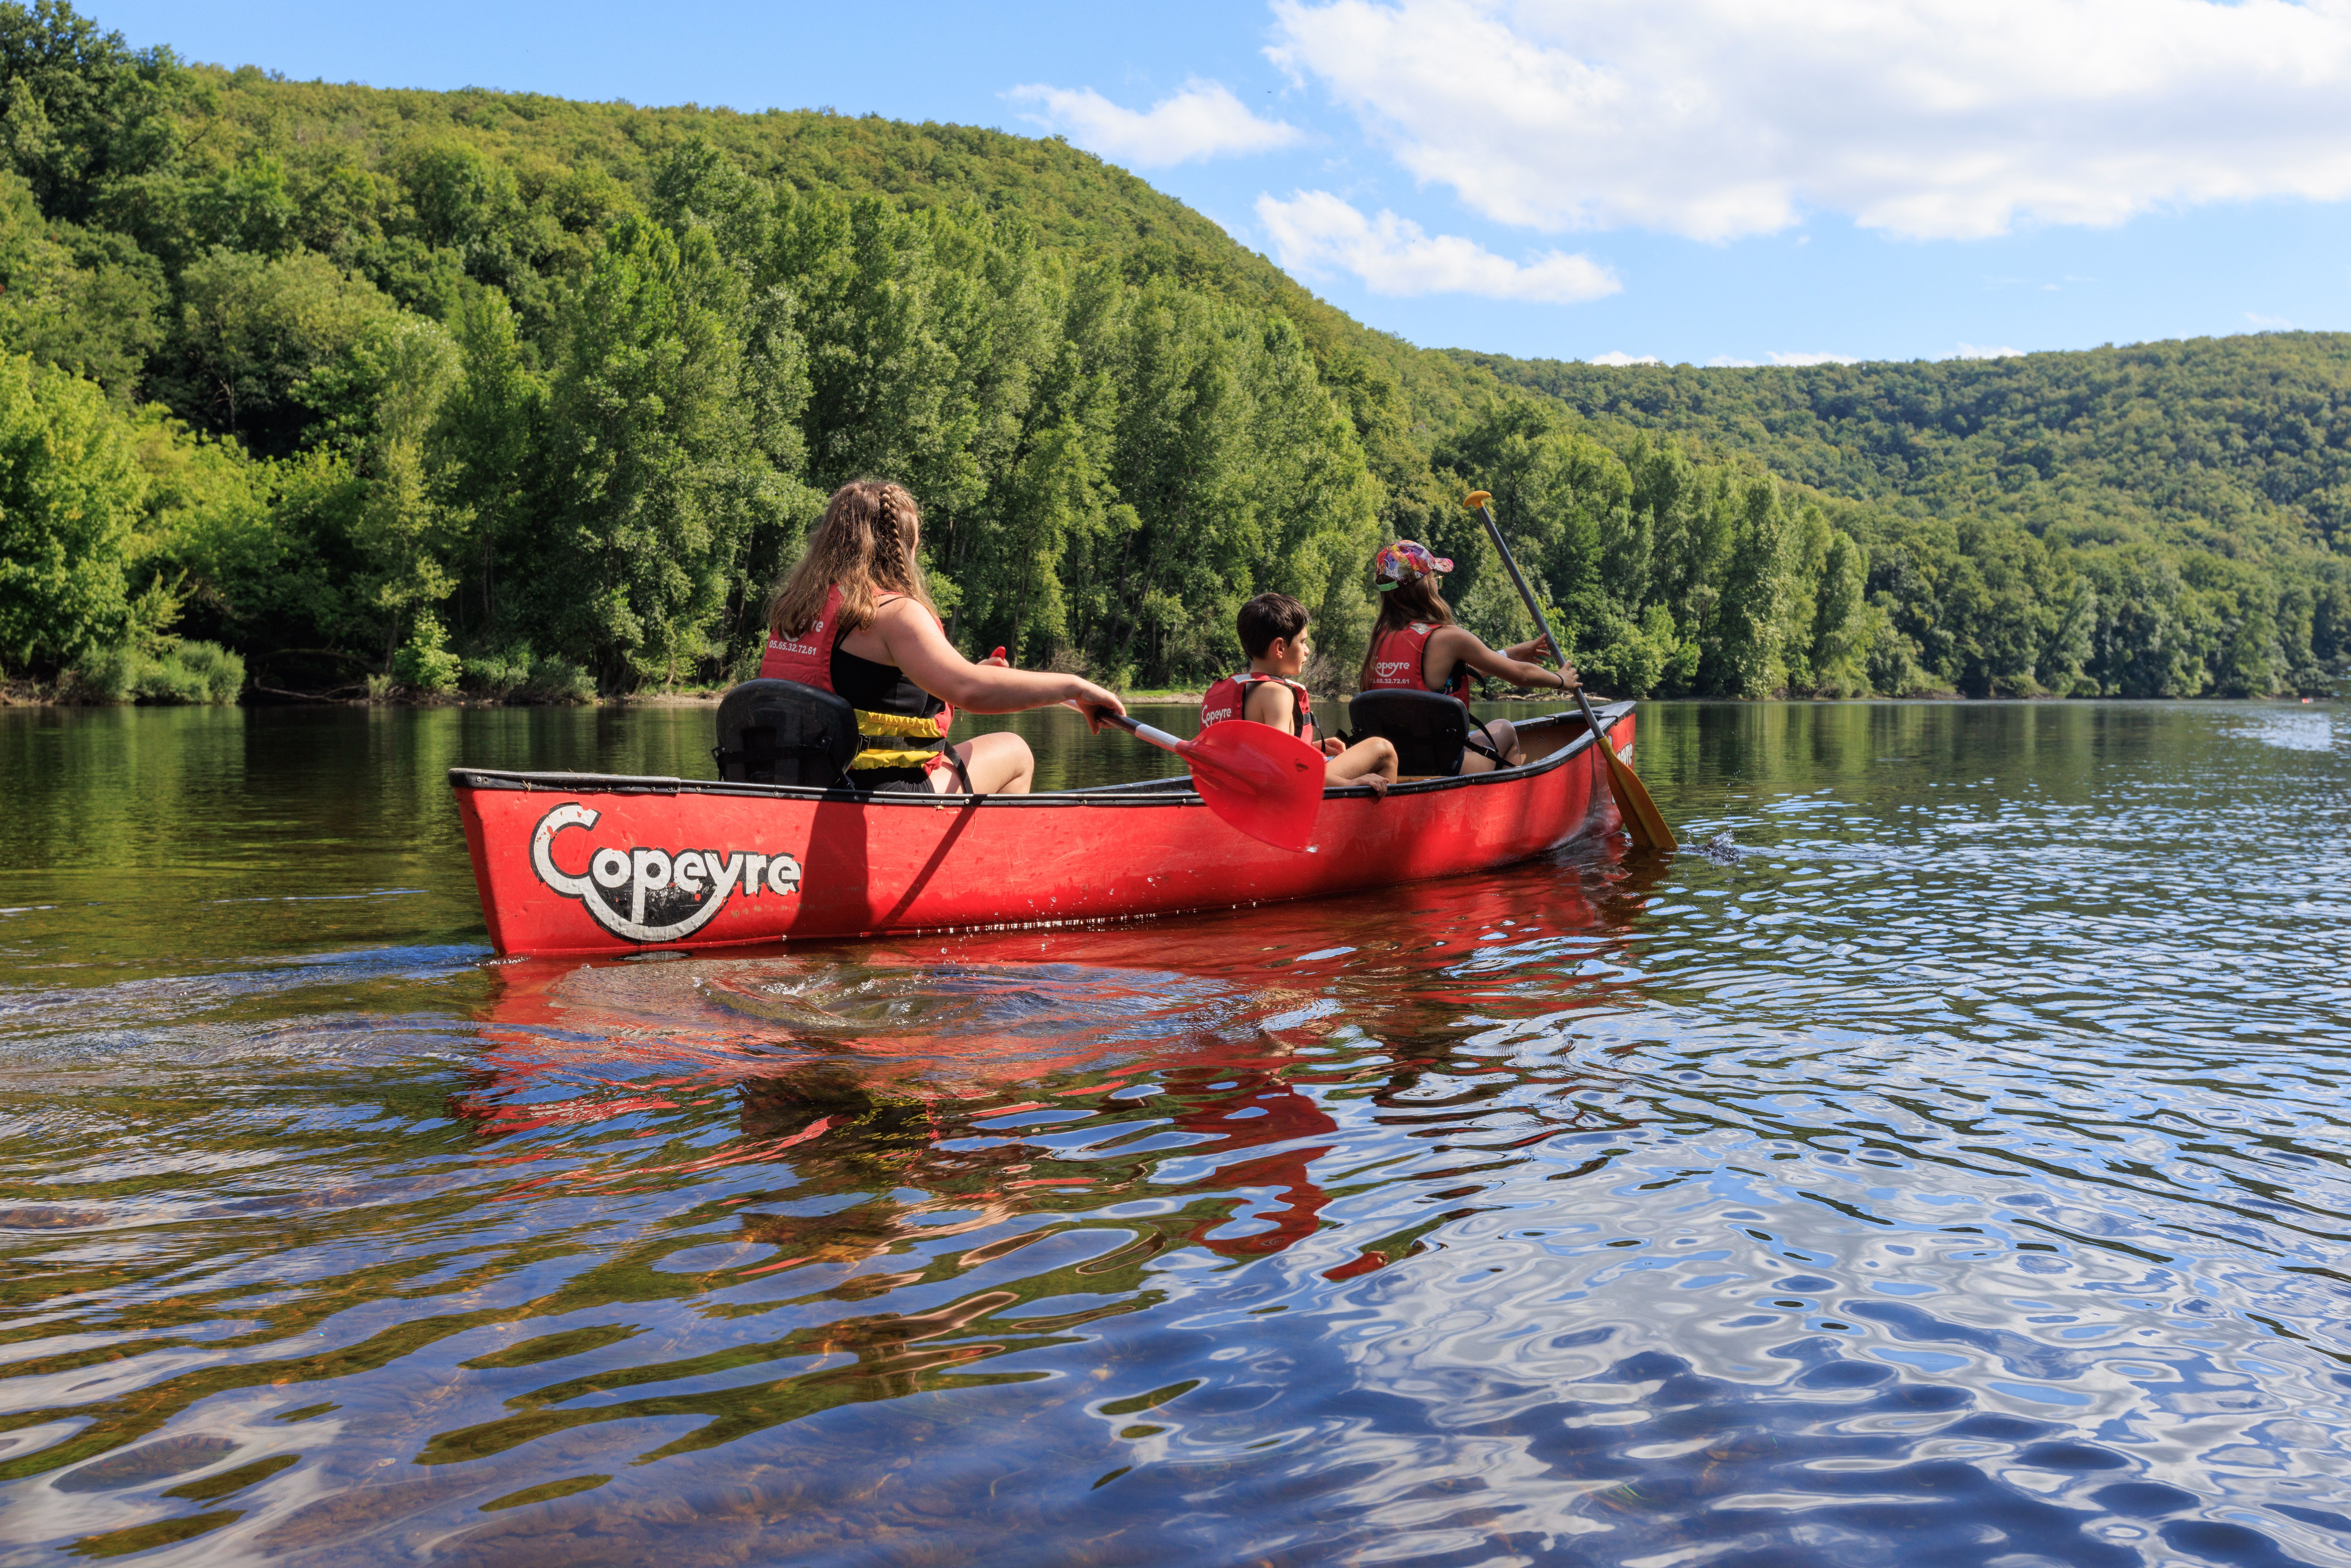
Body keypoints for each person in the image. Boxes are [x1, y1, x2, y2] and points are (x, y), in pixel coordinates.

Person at [761, 480, 1124, 794]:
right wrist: (1075, 687)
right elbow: (971, 689)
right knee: (1014, 751)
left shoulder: (796, 611)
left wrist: (951, 682)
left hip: (798, 786)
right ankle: (978, 872)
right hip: (876, 796)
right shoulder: (893, 614)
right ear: (902, 549)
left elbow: (862, 690)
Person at [1356, 540, 1577, 773]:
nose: (1436, 583)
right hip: (1443, 766)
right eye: (1435, 577)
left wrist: (1510, 654)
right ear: (1424, 585)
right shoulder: (1448, 637)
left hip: (1390, 766)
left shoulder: (1379, 640)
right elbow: (1521, 676)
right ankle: (1505, 801)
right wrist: (1562, 680)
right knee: (1504, 728)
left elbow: (1435, 688)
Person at [1201, 591, 1398, 796]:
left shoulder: (1237, 691)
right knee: (1382, 749)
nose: (1307, 650)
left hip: (1236, 793)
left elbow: (1260, 756)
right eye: (1302, 642)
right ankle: (1380, 825)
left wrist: (1311, 749)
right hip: (1275, 799)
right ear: (1279, 648)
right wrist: (1348, 784)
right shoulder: (1278, 694)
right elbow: (1282, 771)